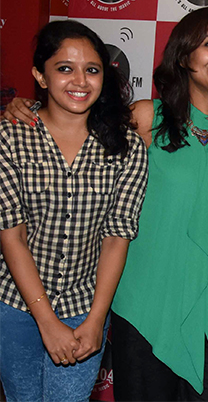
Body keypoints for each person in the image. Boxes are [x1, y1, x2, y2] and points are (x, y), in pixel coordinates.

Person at [0, 20, 148, 400]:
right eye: (65, 68)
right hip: (15, 306)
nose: (80, 81)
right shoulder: (10, 136)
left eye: (92, 70)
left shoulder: (126, 146)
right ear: (40, 75)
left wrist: (97, 319)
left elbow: (116, 238)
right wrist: (46, 321)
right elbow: (12, 236)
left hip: (85, 307)